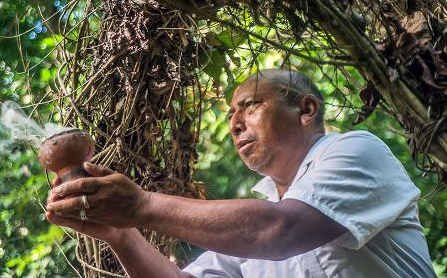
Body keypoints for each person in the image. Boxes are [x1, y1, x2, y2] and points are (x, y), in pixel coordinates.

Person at [46, 69, 436, 278]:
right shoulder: (249, 225)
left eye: (249, 106)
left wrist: (141, 204)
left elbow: (278, 232)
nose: (234, 124)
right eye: (230, 114)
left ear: (306, 110)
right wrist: (121, 235)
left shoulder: (355, 149)